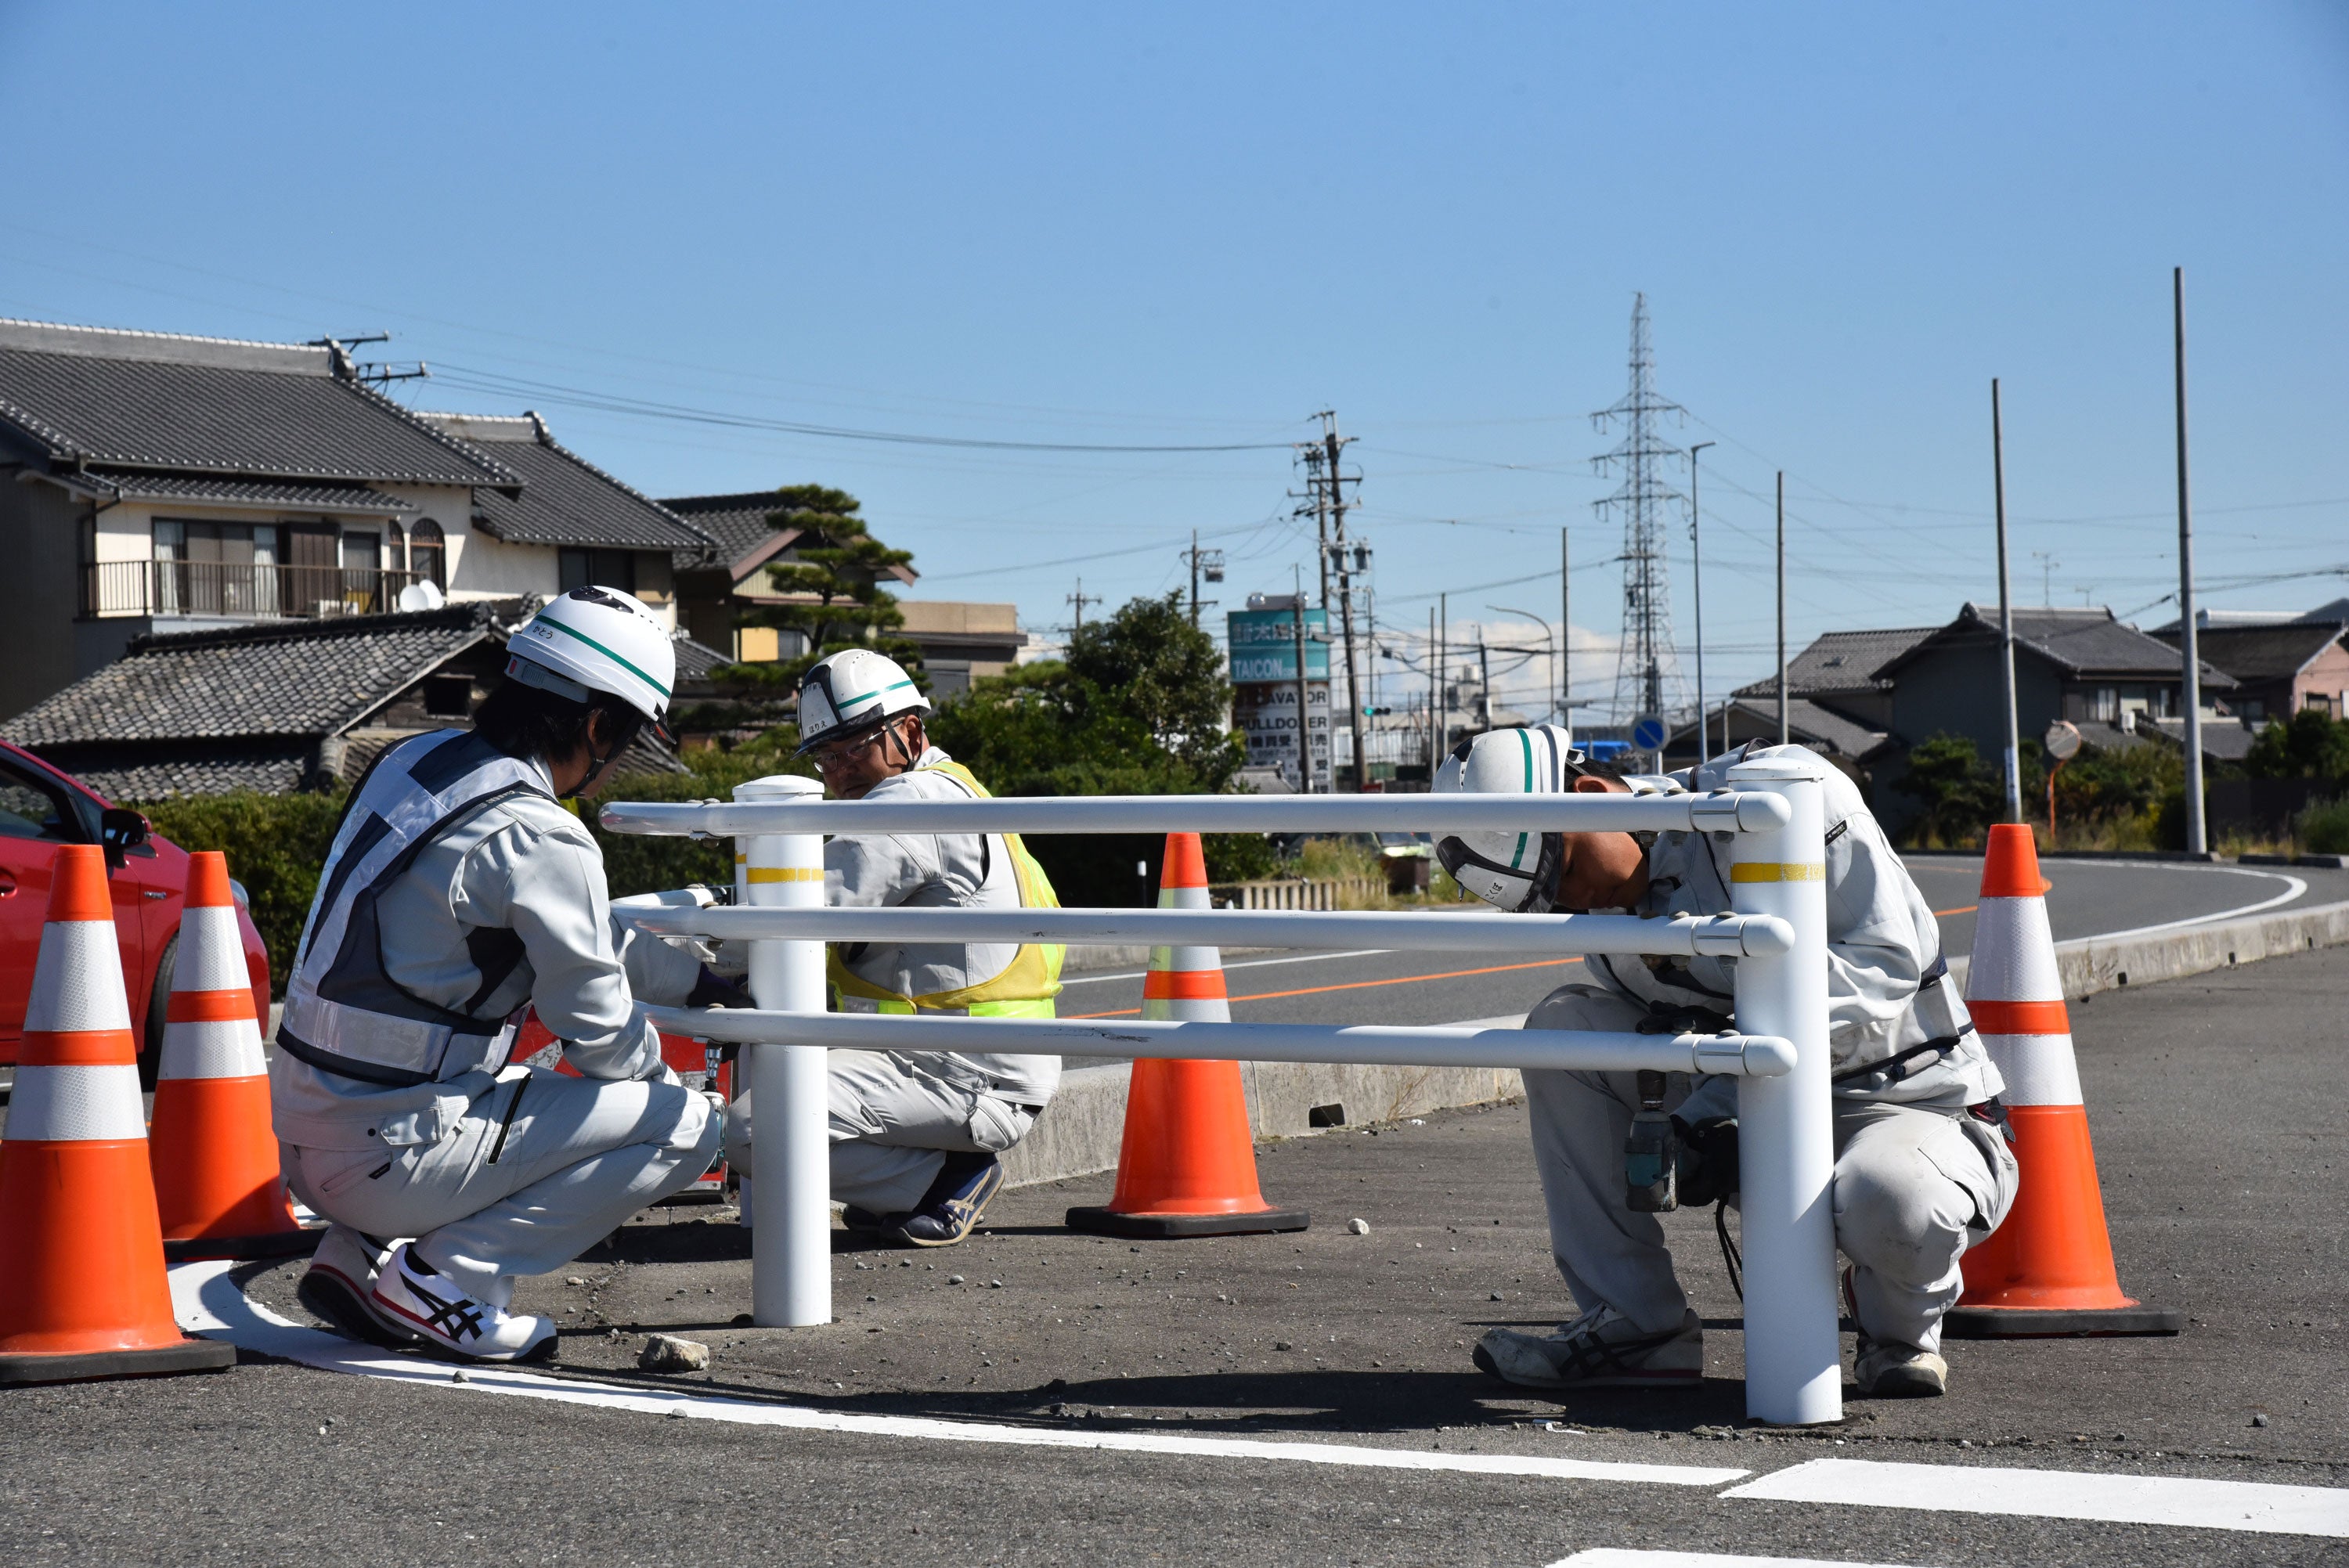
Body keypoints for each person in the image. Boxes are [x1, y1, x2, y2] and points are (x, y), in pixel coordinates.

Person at [1435, 726, 2016, 1398]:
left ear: (1593, 796)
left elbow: (1883, 964)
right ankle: (1637, 1325)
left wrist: (1707, 1113)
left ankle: (1895, 1327)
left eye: (1564, 874)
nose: (1576, 905)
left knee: (1891, 1201)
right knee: (1566, 1032)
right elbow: (1704, 1035)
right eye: (1551, 903)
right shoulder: (1612, 935)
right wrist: (1690, 1127)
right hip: (1761, 1100)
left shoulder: (1780, 796)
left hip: (1911, 1101)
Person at [273, 587, 725, 1363]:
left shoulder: (415, 760)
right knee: (688, 1125)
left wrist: (693, 980)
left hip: (303, 1131)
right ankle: (450, 1274)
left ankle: (366, 1253)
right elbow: (601, 1038)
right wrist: (669, 1083)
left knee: (492, 1064)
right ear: (597, 725)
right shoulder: (543, 831)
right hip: (389, 1152)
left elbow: (577, 937)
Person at [721, 648, 1064, 1248]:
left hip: (960, 1069)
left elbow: (799, 912)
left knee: (753, 1130)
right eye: (826, 756)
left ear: (908, 732)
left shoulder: (910, 802)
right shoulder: (955, 788)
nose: (840, 770)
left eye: (857, 747)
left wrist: (675, 949)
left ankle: (938, 1181)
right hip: (966, 1058)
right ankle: (906, 1182)